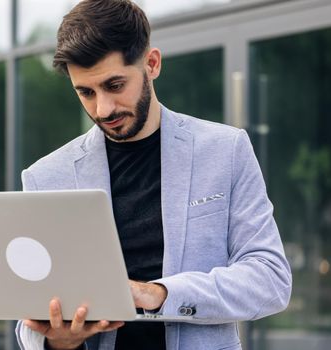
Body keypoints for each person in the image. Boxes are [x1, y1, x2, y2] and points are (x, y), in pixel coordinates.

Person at [15, 1, 292, 349]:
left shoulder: (225, 150)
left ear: (152, 64)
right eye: (86, 92)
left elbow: (270, 279)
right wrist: (60, 341)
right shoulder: (45, 177)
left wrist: (159, 294)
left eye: (115, 85)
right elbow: (29, 317)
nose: (103, 109)